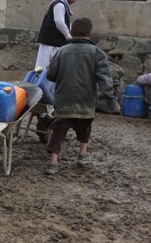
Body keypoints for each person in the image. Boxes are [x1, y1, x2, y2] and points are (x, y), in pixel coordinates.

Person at [44, 18, 119, 175]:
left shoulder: (62, 51)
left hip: (64, 99)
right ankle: (82, 154)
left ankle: (53, 162)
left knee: (60, 129)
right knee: (85, 127)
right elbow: (105, 79)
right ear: (90, 33)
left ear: (71, 32)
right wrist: (112, 102)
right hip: (86, 100)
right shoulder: (97, 53)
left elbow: (50, 75)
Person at [35, 0, 82, 70]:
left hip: (54, 42)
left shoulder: (59, 4)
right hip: (52, 43)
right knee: (46, 67)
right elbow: (59, 22)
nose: (74, 1)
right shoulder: (59, 5)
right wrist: (68, 36)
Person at [97, 48, 125, 113]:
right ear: (116, 59)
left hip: (91, 99)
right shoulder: (116, 69)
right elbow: (112, 90)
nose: (121, 63)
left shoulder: (99, 64)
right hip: (103, 101)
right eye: (120, 61)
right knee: (122, 83)